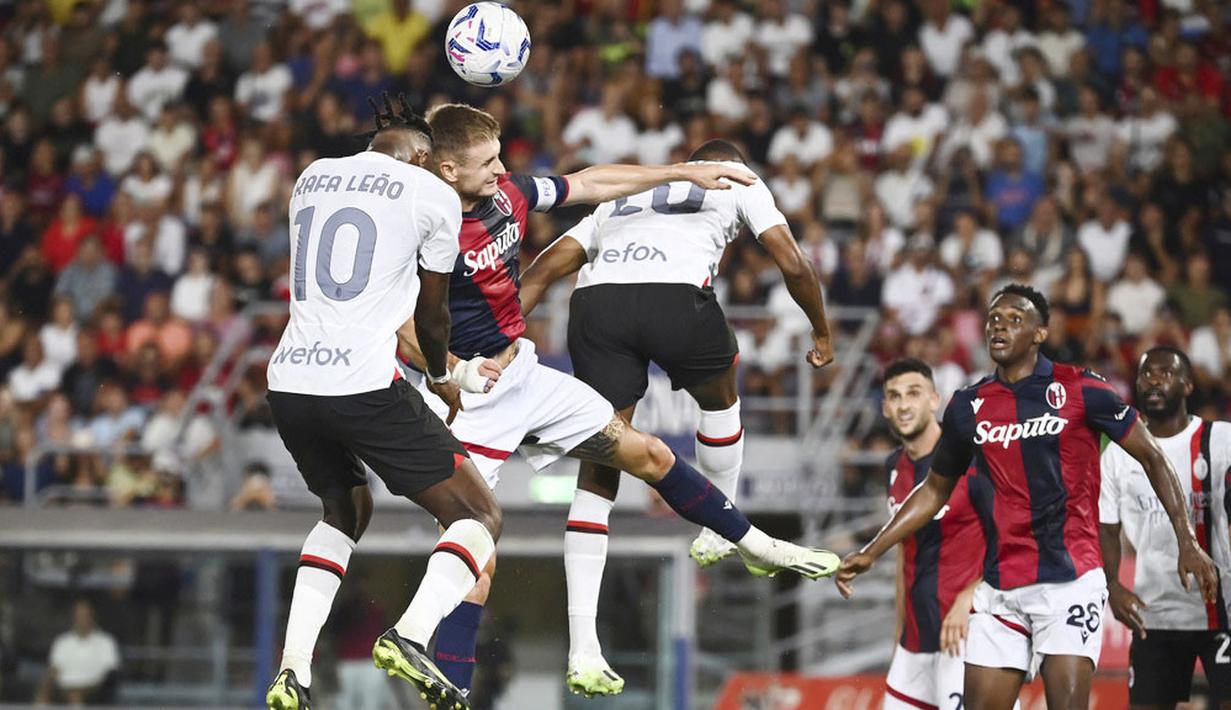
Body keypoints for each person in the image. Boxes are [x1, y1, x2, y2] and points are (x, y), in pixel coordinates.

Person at [396, 102, 839, 699]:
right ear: (448, 171)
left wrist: (679, 172)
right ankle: (419, 645)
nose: (504, 168)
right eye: (489, 160)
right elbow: (403, 327)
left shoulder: (511, 194)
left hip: (547, 352)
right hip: (473, 395)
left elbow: (574, 213)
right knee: (477, 547)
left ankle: (744, 545)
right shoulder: (424, 224)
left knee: (636, 454)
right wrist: (453, 374)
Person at [518, 137, 833, 682]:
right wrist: (823, 332)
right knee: (720, 394)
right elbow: (793, 262)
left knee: (602, 461)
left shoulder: (628, 191)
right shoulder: (739, 178)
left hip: (598, 307)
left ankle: (584, 648)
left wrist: (496, 342)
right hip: (674, 298)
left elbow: (545, 269)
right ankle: (722, 520)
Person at [836, 284, 1219, 709]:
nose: (999, 326)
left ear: (1040, 333)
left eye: (1015, 320)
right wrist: (872, 551)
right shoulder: (969, 406)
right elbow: (934, 490)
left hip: (1070, 583)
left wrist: (1187, 539)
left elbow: (1153, 457)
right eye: (994, 320)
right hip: (1001, 588)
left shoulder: (1081, 389)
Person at [263, 98, 505, 710]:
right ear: (425, 158)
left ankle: (293, 670)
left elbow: (365, 293)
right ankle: (412, 635)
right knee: (479, 515)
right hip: (361, 387)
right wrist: (444, 377)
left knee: (344, 510)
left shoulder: (310, 177)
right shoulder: (432, 197)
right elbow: (430, 313)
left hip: (290, 382)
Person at [1099, 347, 1231, 710]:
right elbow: (1106, 527)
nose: (1154, 381)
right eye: (1146, 374)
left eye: (1165, 373)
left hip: (1221, 613)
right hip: (1153, 615)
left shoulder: (1221, 440)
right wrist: (1112, 585)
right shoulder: (1117, 454)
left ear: (1188, 384)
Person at [876, 358, 1001, 710]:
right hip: (914, 643)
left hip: (965, 635)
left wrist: (969, 599)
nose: (904, 405)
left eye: (913, 394)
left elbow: (1008, 539)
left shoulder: (973, 459)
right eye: (894, 396)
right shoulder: (893, 467)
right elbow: (905, 552)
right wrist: (897, 634)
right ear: (885, 407)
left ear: (934, 399)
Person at [36, 599, 119, 705]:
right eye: (78, 615)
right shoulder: (62, 641)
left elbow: (109, 676)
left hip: (94, 691)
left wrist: (81, 691)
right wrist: (45, 689)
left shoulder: (106, 641)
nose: (81, 619)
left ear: (93, 617)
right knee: (41, 696)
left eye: (85, 615)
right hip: (64, 691)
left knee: (75, 698)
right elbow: (54, 669)